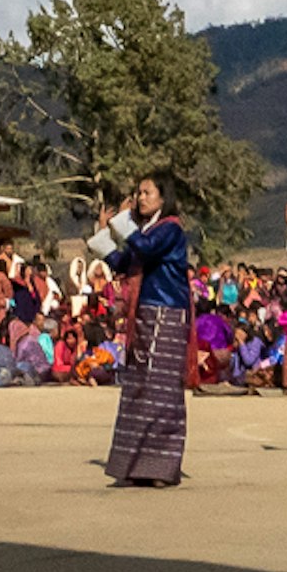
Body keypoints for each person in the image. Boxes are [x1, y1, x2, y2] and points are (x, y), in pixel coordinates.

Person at [87, 173, 195, 487]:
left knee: (161, 392)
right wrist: (106, 237)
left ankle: (161, 468)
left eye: (147, 192)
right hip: (145, 315)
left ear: (164, 198)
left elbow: (145, 249)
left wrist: (123, 222)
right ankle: (135, 466)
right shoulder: (149, 230)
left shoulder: (170, 229)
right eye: (139, 192)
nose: (141, 197)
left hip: (168, 313)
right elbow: (124, 262)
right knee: (139, 389)